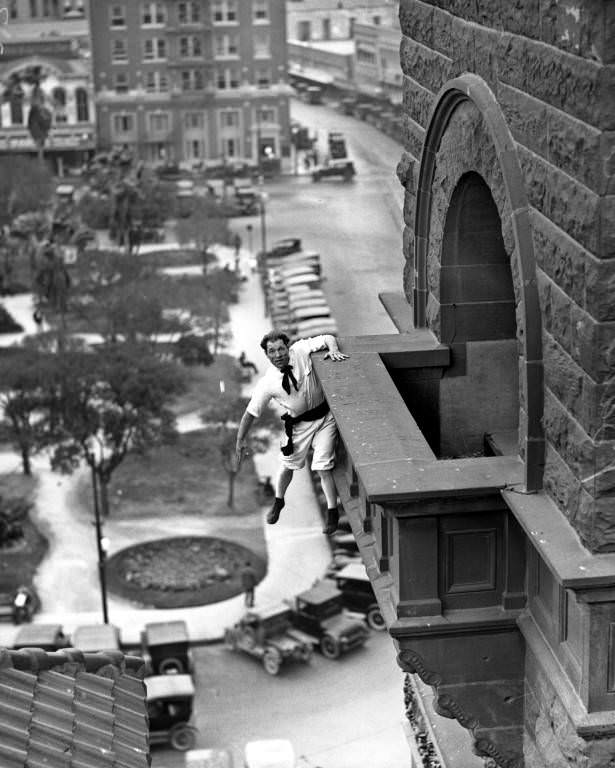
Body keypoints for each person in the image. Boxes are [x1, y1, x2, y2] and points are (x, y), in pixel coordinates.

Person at [235, 331, 349, 535]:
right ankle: (278, 501)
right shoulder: (268, 382)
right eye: (272, 351)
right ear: (267, 355)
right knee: (288, 464)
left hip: (324, 419)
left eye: (281, 349)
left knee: (322, 466)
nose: (278, 354)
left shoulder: (301, 350)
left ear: (287, 347)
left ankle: (332, 512)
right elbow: (251, 412)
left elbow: (328, 338)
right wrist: (240, 439)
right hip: (298, 425)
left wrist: (333, 350)